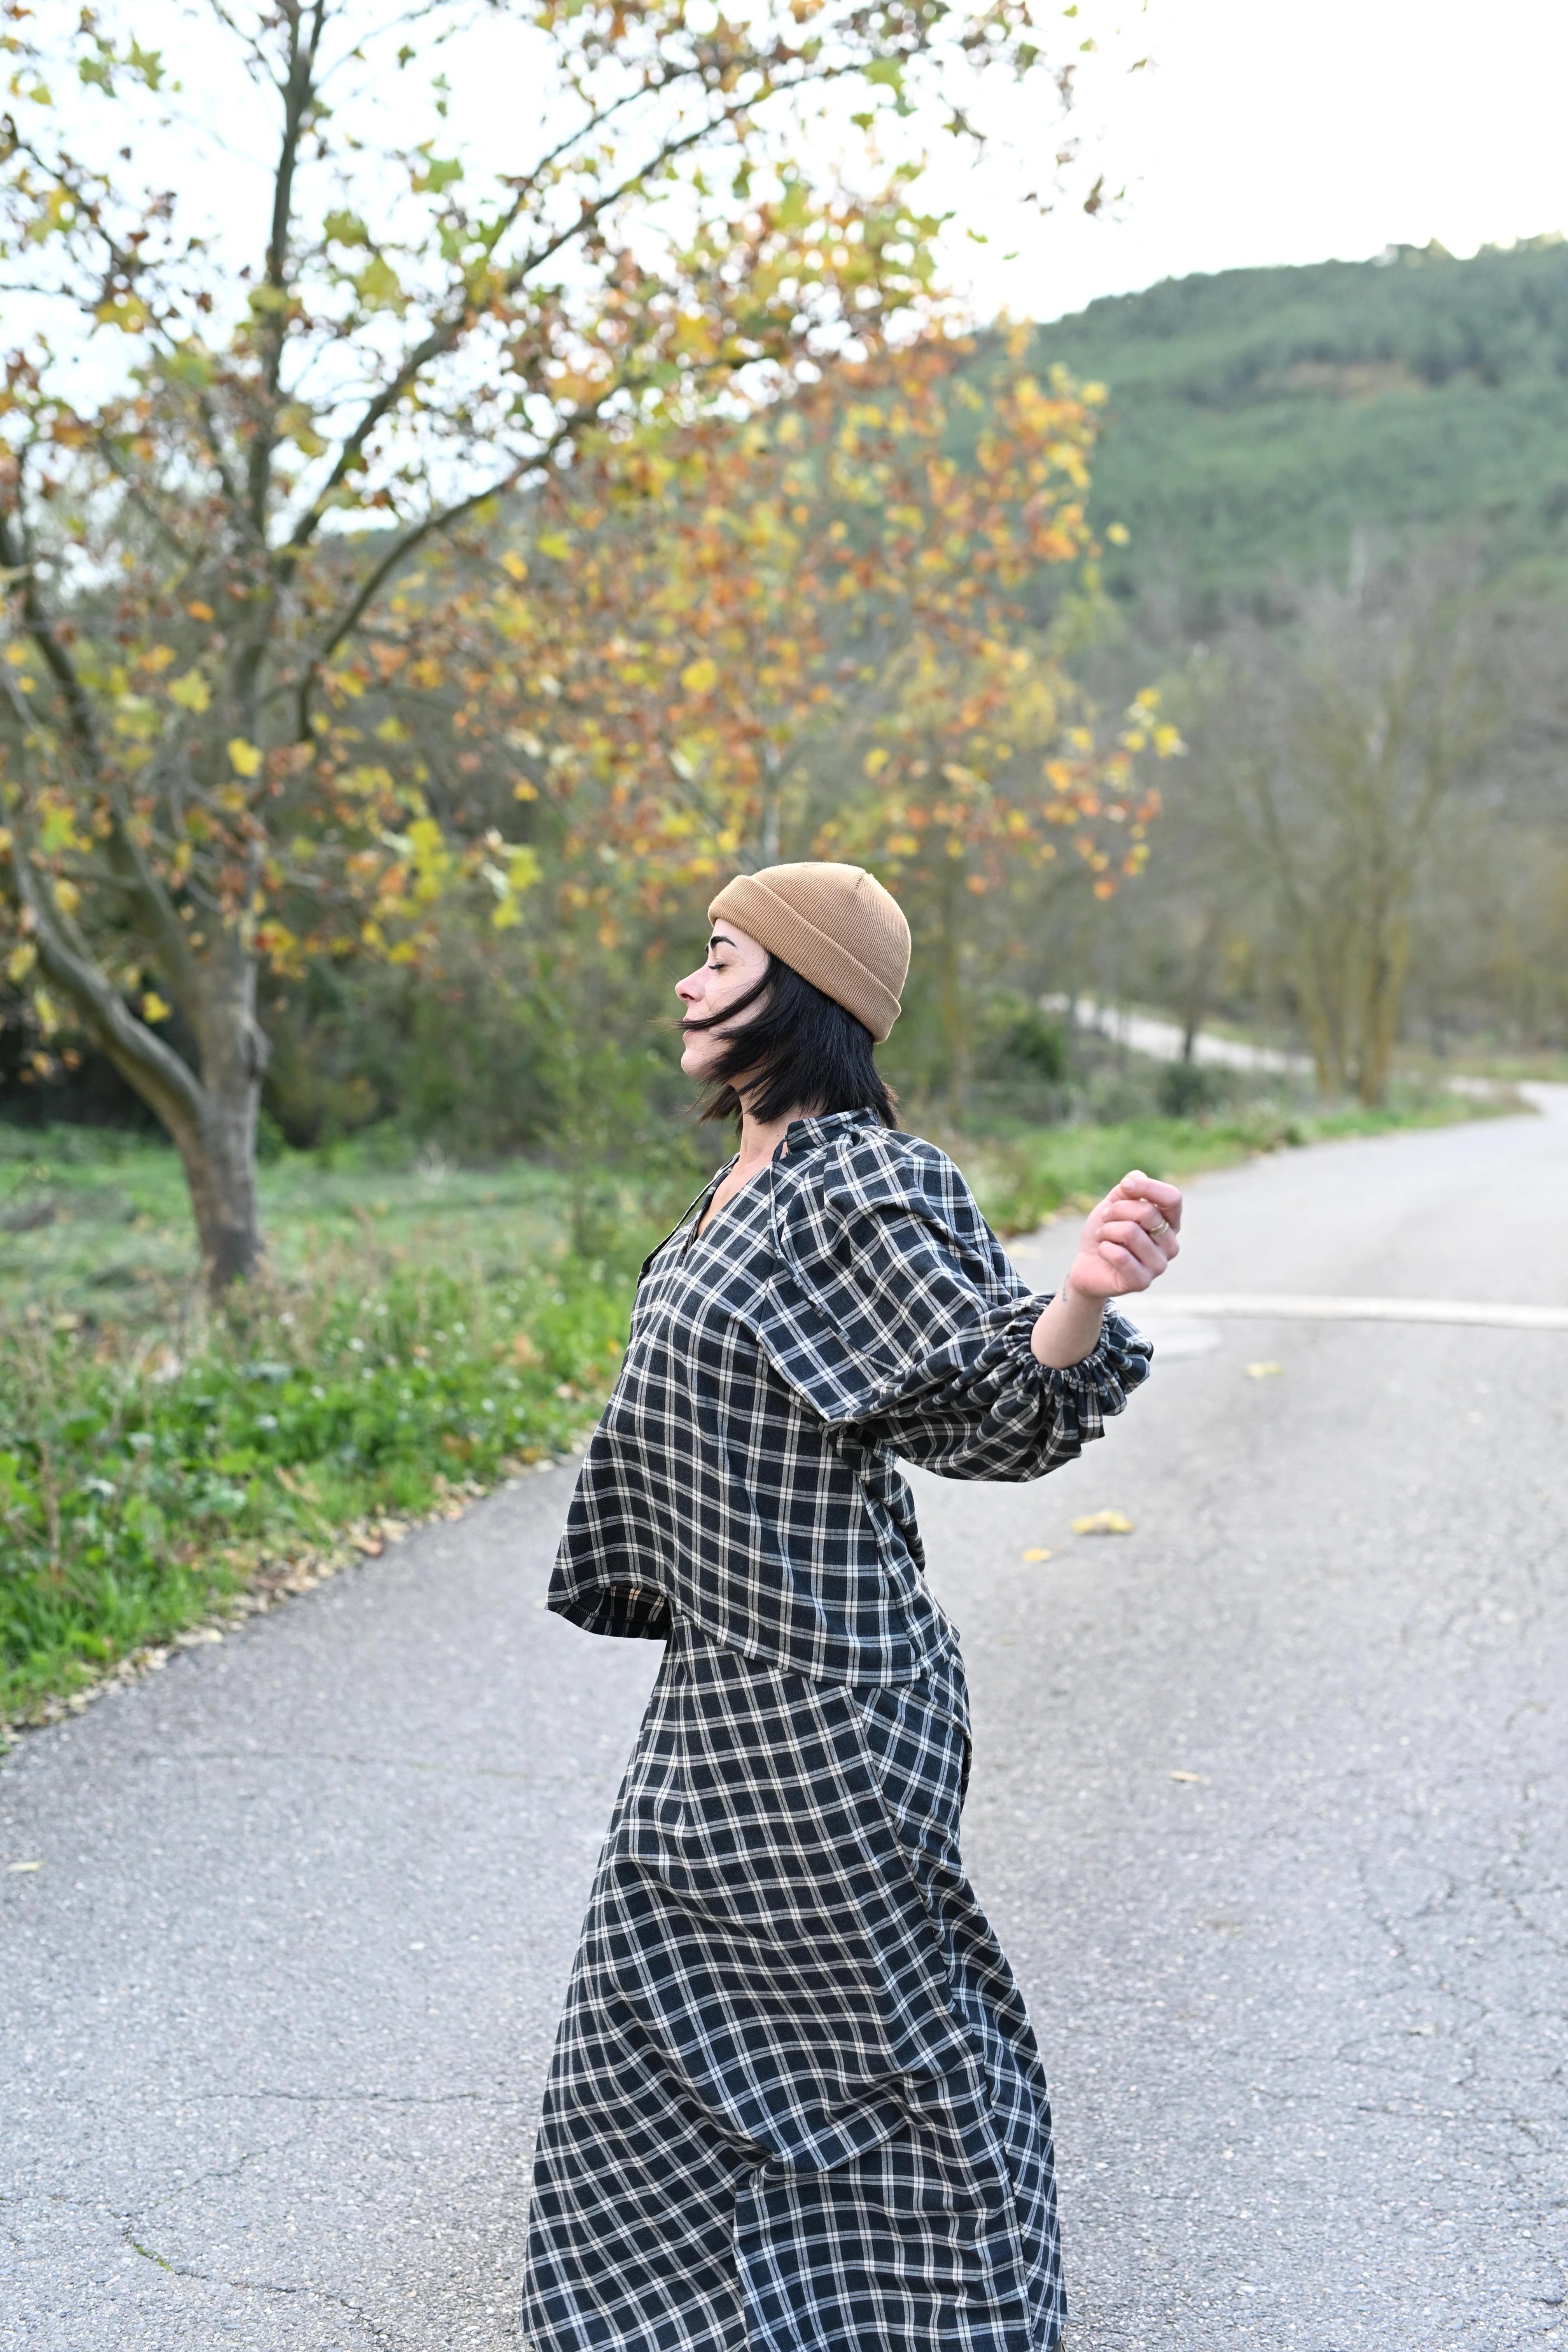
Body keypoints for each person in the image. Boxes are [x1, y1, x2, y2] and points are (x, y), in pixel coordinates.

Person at [522, 861, 1182, 2352]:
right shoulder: (736, 1186)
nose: (689, 982)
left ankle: (957, 2317)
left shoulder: (862, 1184)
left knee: (877, 2044)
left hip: (829, 1704)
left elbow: (991, 1398)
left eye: (719, 954)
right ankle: (659, 2320)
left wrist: (1077, 1295)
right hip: (716, 1697)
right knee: (647, 2036)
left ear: (803, 990)